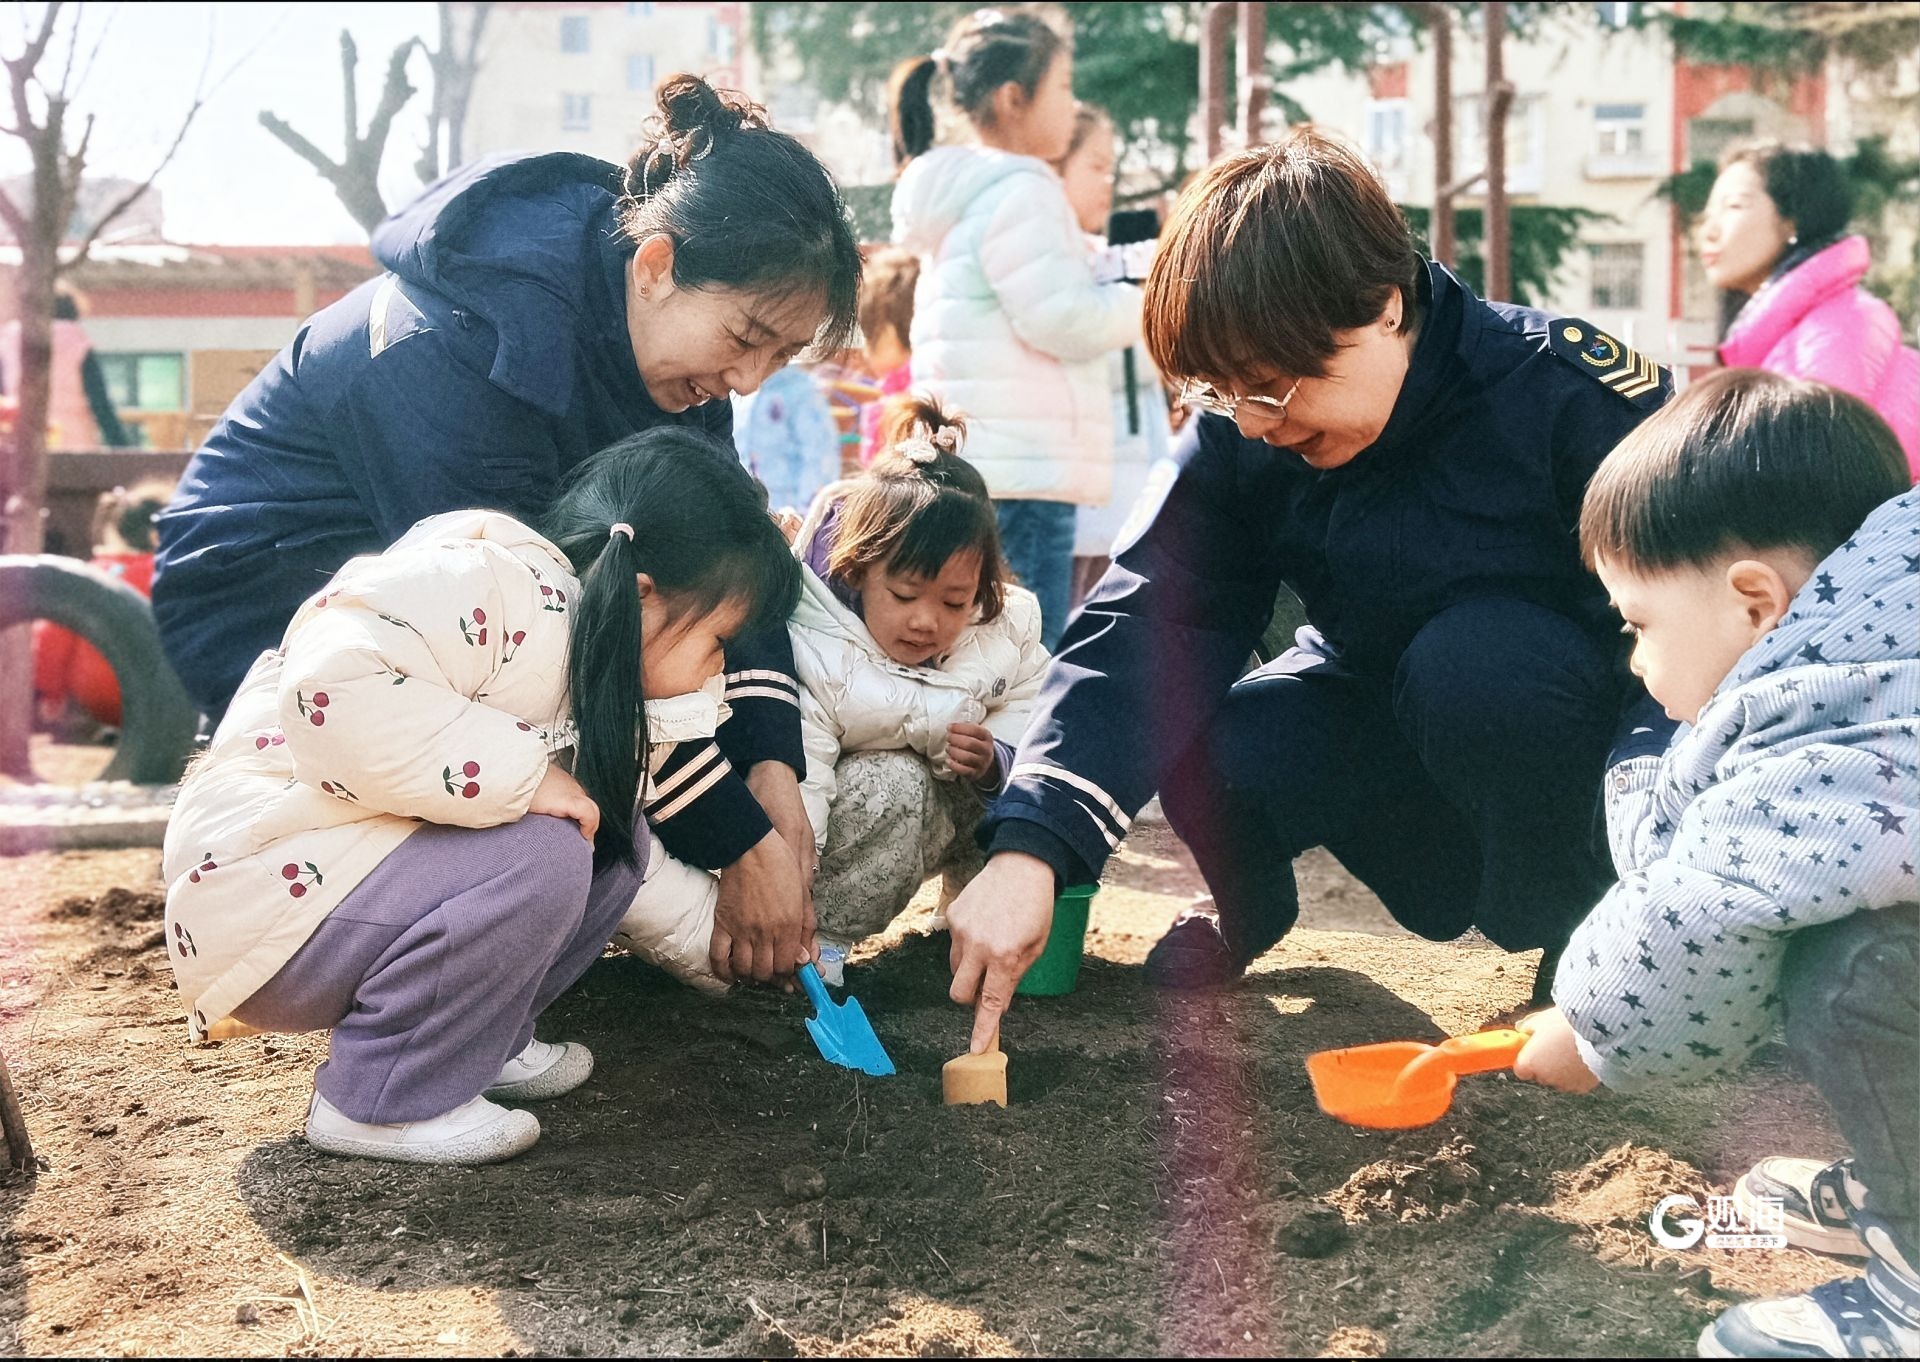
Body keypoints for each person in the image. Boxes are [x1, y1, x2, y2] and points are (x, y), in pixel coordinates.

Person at [944, 127, 1678, 1053]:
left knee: (1475, 665)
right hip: (1372, 702)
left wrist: (1661, 862)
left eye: (1272, 386)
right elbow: (1151, 616)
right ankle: (1248, 908)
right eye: (1221, 392)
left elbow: (1699, 639)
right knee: (1210, 733)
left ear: (1384, 306)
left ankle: (1585, 935)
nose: (1253, 423)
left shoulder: (1567, 398)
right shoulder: (1244, 426)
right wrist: (1034, 845)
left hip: (1553, 739)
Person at [153, 75, 862, 986]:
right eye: (746, 337)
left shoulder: (685, 369)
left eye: (781, 356)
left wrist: (770, 765)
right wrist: (735, 840)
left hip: (463, 592)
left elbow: (727, 560)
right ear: (654, 266)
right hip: (269, 593)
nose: (751, 380)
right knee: (534, 724)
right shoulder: (460, 344)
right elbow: (568, 632)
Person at [162, 431, 802, 1164]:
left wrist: (727, 946)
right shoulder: (494, 591)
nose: (718, 671)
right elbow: (327, 689)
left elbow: (632, 867)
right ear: (642, 597)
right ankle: (380, 1100)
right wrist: (524, 774)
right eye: (718, 643)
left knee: (609, 833)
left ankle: (474, 1046)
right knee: (547, 851)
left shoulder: (604, 670)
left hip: (342, 885)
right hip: (263, 900)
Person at [1508, 370, 1918, 1360]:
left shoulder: (1828, 723)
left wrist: (1591, 1035)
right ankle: (1899, 1177)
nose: (1635, 660)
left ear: (1754, 603)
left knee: (1856, 976)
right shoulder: (1881, 665)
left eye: (1638, 624)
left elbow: (1700, 910)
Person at [887, 7, 1141, 650]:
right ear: (1012, 99)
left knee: (977, 651)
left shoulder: (965, 189)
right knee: (1026, 656)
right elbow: (1062, 318)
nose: (1072, 104)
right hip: (1025, 472)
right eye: (1063, 86)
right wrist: (1148, 304)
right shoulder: (1023, 189)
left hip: (980, 462)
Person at [789, 394, 1048, 980]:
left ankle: (971, 906)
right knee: (893, 779)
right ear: (858, 569)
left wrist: (996, 762)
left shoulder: (1004, 628)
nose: (926, 621)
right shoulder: (821, 644)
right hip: (854, 830)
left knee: (1022, 786)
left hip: (944, 820)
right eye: (904, 595)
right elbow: (803, 778)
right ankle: (826, 939)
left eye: (954, 601)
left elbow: (1037, 711)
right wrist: (793, 887)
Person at [1697, 140, 1919, 475]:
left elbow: (1822, 481)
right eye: (1706, 214)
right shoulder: (1797, 331)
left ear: (1793, 220)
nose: (1708, 231)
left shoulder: (1836, 329)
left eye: (1734, 206)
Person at [1048, 102, 1176, 607]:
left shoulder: (1103, 259)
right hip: (1085, 498)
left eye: (1111, 169)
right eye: (1095, 167)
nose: (1108, 182)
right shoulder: (1050, 266)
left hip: (1127, 482)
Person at [0, 289, 135, 449]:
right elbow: (100, 402)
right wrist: (122, 447)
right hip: (75, 443)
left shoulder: (8, 339)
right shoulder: (76, 340)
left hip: (22, 445)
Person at [855, 246, 920, 467]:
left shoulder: (895, 408)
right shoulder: (941, 387)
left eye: (869, 335)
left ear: (889, 331)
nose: (865, 351)